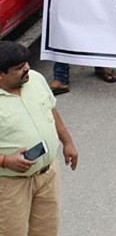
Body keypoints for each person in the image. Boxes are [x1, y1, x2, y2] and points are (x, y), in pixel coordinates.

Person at [0, 41, 79, 235]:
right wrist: (5, 161)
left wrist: (67, 142)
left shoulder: (35, 79)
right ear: (1, 75)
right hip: (10, 186)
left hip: (47, 175)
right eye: (19, 68)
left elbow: (51, 110)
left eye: (26, 63)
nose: (27, 68)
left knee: (47, 231)